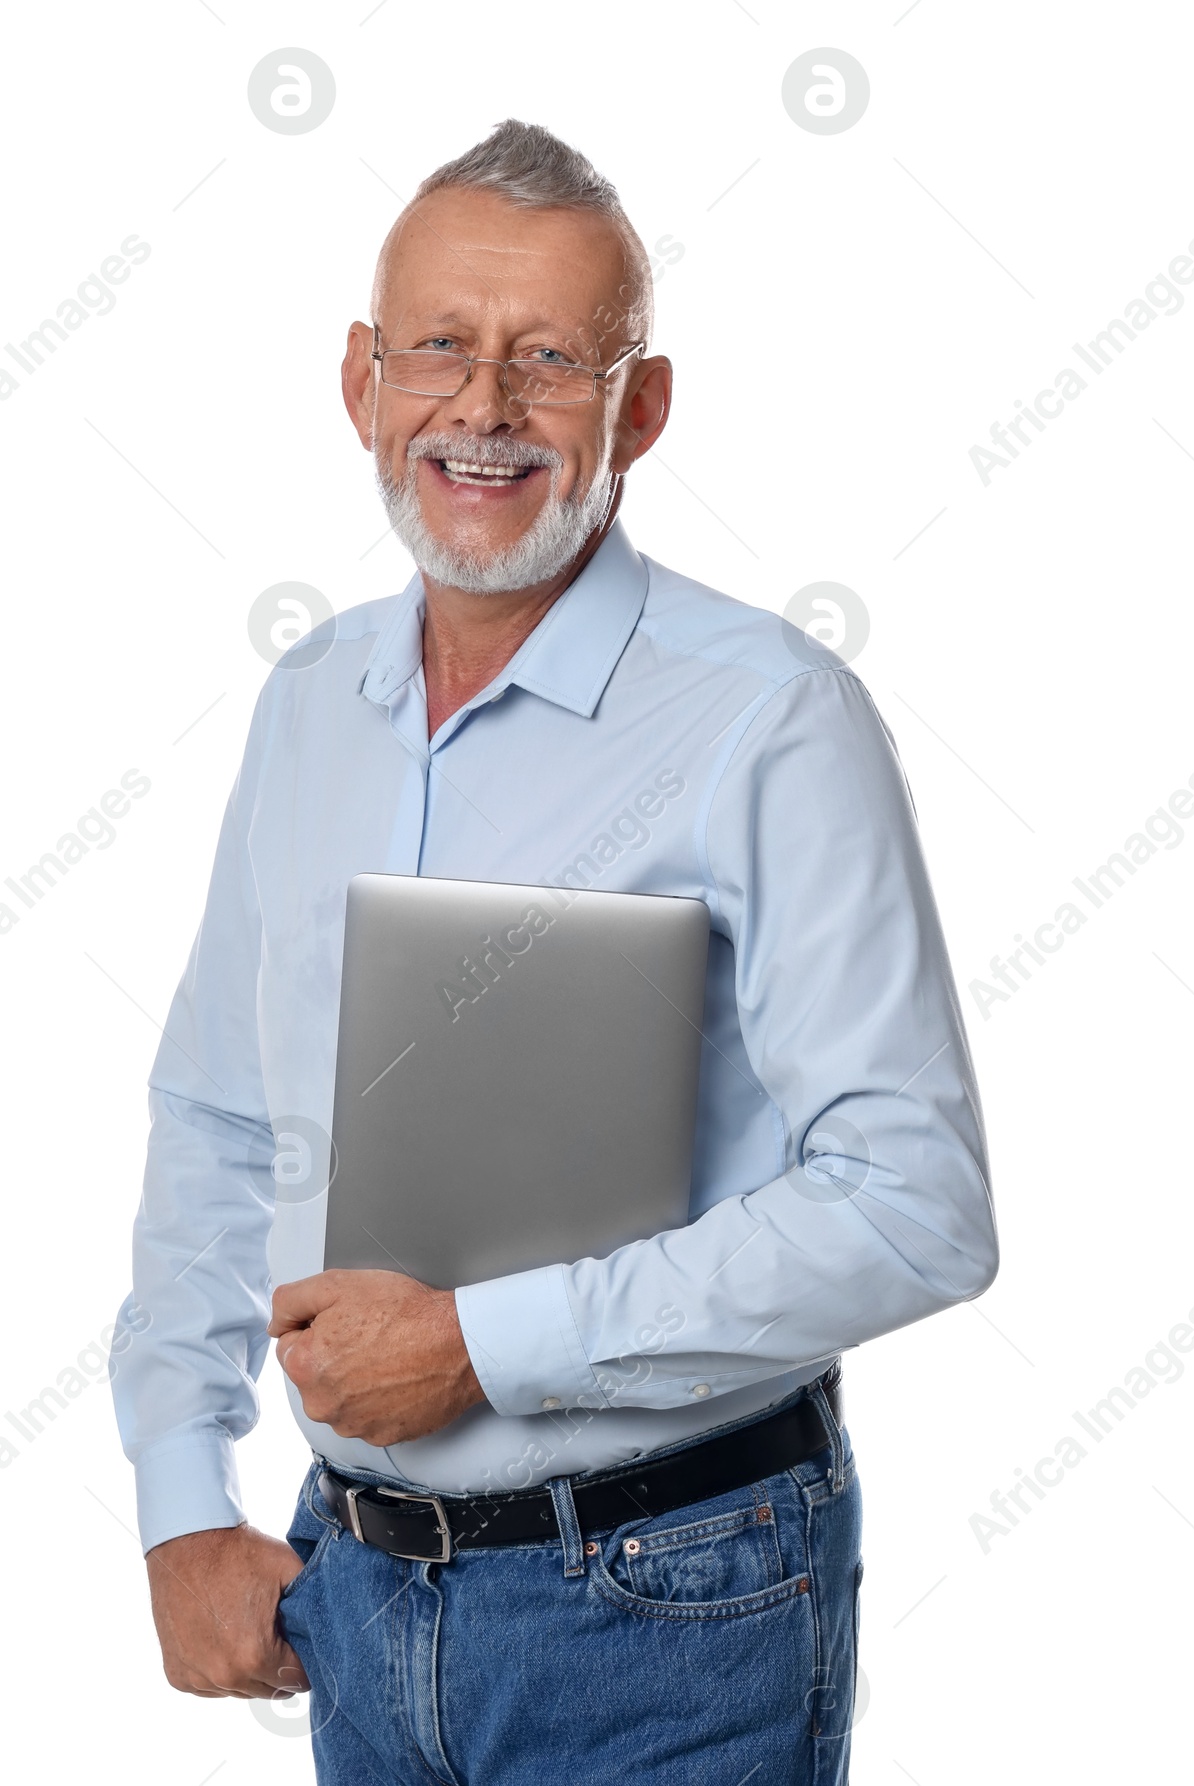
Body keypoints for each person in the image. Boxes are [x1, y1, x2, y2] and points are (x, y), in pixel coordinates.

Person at [111, 118, 998, 1784]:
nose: (484, 406)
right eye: (439, 347)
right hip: (352, 1595)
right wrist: (178, 1495)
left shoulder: (772, 722)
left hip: (676, 1608)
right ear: (364, 382)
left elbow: (915, 1201)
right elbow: (219, 1122)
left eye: (551, 361)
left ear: (640, 410)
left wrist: (479, 1344)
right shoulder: (309, 703)